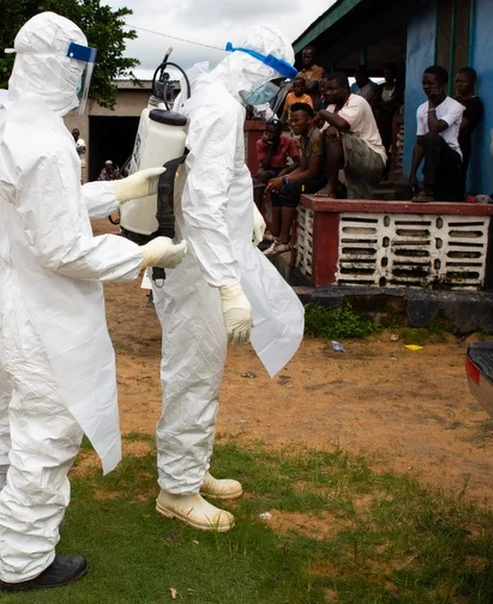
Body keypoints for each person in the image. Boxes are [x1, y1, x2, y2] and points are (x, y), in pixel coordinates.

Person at [0, 12, 185, 592]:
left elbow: (45, 204)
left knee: (1, 413)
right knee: (47, 426)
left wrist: (118, 189)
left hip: (2, 293)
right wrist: (142, 254)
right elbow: (63, 248)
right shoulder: (46, 142)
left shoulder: (9, 116)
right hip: (39, 306)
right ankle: (25, 560)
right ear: (59, 67)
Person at [150, 24, 305, 534]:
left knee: (199, 371)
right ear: (261, 71)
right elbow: (202, 205)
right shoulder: (221, 108)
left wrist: (248, 212)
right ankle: (177, 490)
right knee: (192, 374)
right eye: (275, 81)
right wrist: (228, 286)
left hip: (198, 260)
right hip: (200, 268)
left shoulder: (212, 96)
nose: (272, 92)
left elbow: (219, 176)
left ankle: (191, 470)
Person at [264, 103, 327, 256]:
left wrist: (286, 181)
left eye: (297, 120)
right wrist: (282, 178)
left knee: (288, 189)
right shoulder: (304, 138)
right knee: (276, 187)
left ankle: (284, 240)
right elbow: (302, 167)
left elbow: (312, 172)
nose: (293, 124)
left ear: (309, 120)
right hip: (309, 176)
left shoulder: (315, 138)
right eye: (291, 120)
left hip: (320, 180)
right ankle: (276, 235)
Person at [314, 72, 387, 199]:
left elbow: (342, 124)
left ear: (344, 89)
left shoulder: (357, 101)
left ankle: (331, 185)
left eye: (332, 89)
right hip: (355, 156)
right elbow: (324, 132)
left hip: (372, 156)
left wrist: (321, 113)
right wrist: (329, 127)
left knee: (333, 138)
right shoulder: (331, 107)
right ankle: (332, 184)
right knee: (317, 139)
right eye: (326, 89)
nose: (327, 93)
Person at [409, 65, 464, 202]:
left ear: (442, 85)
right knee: (428, 139)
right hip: (433, 164)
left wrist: (432, 104)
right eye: (424, 83)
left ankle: (428, 188)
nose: (426, 87)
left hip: (451, 159)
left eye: (430, 83)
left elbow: (435, 128)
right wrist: (413, 173)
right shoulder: (421, 109)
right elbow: (420, 143)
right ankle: (428, 187)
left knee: (432, 136)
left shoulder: (455, 106)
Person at [454, 67, 483, 190]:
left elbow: (460, 126)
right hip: (447, 144)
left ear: (472, 83)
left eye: (462, 81)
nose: (458, 85)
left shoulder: (475, 103)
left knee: (457, 177)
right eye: (457, 81)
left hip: (461, 144)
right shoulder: (455, 101)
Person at [254, 120, 299, 187]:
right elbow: (265, 166)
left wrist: (285, 170)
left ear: (279, 133)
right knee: (261, 174)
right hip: (269, 169)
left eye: (272, 132)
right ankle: (259, 193)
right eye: (266, 131)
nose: (268, 134)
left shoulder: (288, 140)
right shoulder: (260, 143)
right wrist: (270, 148)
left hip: (282, 168)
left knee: (295, 176)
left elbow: (297, 162)